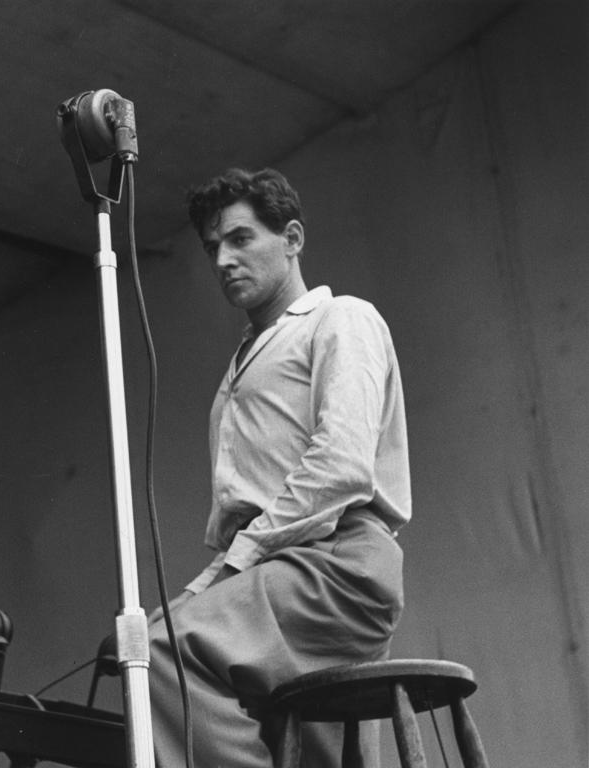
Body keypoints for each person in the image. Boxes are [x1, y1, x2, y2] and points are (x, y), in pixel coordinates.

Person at [148, 168, 410, 767]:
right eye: (213, 247)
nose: (222, 259)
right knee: (308, 750)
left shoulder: (341, 318)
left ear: (291, 238)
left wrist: (225, 575)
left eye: (241, 239)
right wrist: (197, 587)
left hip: (337, 568)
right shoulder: (239, 364)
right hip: (278, 568)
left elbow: (341, 467)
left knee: (163, 650)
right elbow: (252, 521)